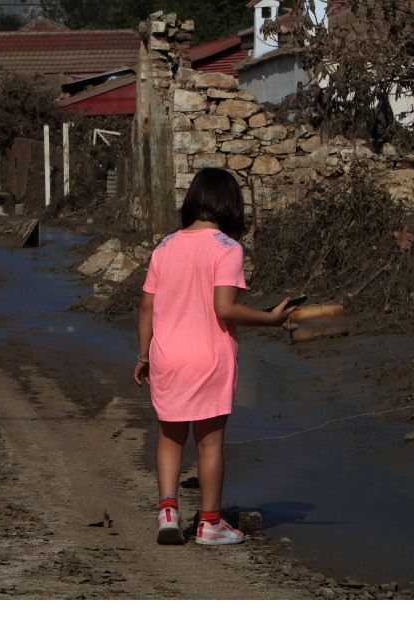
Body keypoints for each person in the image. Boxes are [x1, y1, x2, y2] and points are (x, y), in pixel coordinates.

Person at [134, 167, 297, 546]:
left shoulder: (164, 247)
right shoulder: (227, 248)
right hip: (209, 359)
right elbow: (224, 308)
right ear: (230, 206)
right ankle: (210, 524)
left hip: (166, 356)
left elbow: (146, 308)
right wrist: (270, 320)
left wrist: (143, 355)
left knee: (170, 438)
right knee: (209, 443)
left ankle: (168, 514)